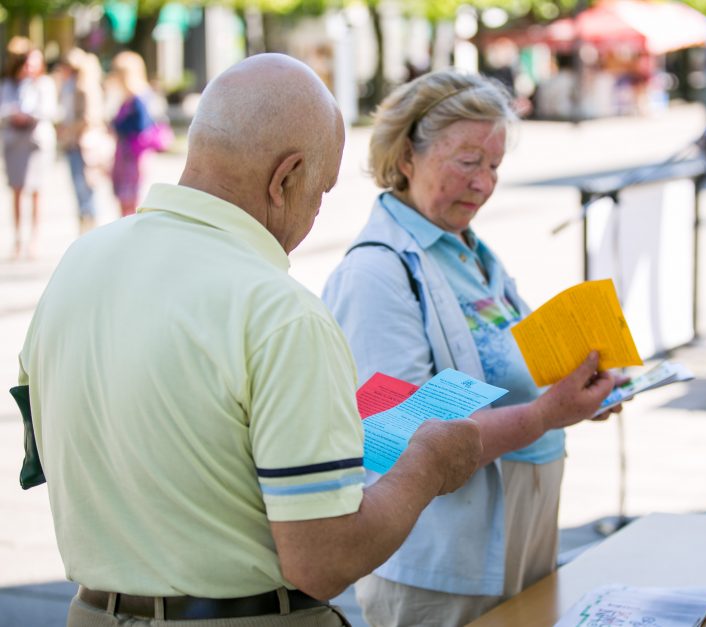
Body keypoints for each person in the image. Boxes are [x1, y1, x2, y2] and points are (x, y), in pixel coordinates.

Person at [15, 53, 482, 626]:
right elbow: (324, 559)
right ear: (285, 178)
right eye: (322, 189)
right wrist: (428, 464)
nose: (316, 212)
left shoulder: (79, 263)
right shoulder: (281, 314)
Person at [322, 69, 623, 626]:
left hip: (518, 535)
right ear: (406, 156)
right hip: (443, 559)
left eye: (494, 166)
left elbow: (515, 367)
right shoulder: (375, 273)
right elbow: (398, 439)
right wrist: (545, 415)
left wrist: (580, 389)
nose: (484, 183)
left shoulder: (470, 252)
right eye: (467, 162)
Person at [0, 44, 57, 259]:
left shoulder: (44, 84)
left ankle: (34, 238)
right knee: (16, 190)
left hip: (36, 142)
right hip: (15, 142)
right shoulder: (9, 85)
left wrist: (29, 115)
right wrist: (13, 115)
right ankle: (17, 238)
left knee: (36, 191)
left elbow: (49, 110)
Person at [56, 47, 111, 234]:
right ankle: (84, 228)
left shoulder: (85, 87)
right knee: (80, 190)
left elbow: (89, 117)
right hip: (74, 143)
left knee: (86, 188)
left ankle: (89, 229)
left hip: (84, 144)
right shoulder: (70, 86)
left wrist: (68, 128)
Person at [108, 50, 166, 217]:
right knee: (124, 199)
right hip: (125, 154)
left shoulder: (139, 98)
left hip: (134, 155)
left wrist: (117, 126)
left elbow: (141, 126)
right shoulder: (128, 98)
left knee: (133, 200)